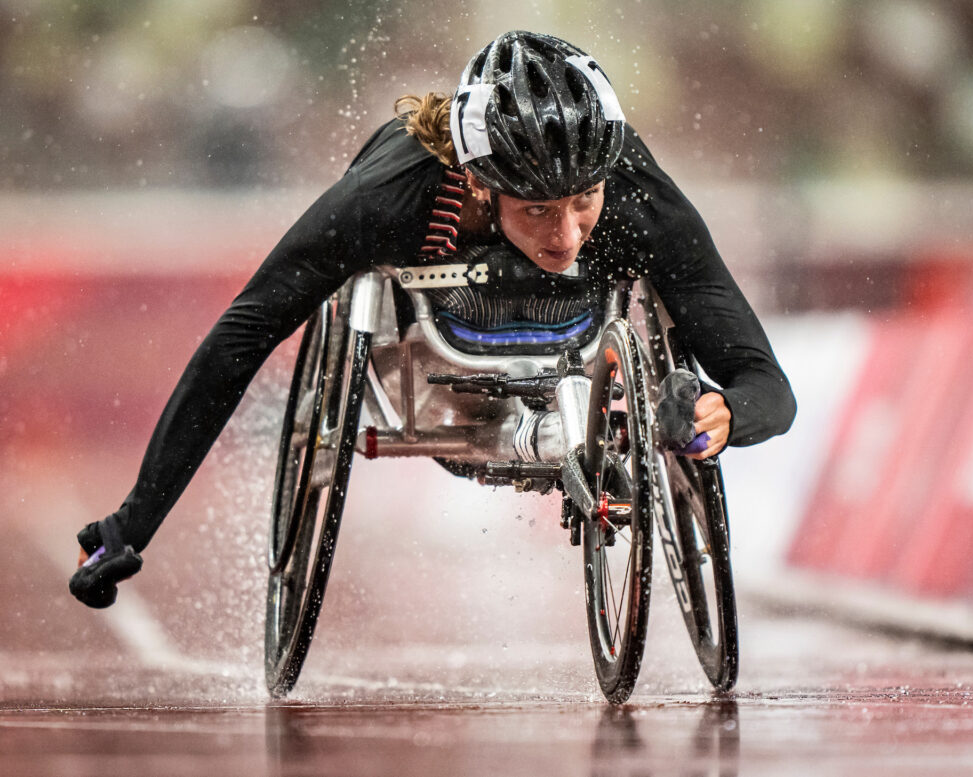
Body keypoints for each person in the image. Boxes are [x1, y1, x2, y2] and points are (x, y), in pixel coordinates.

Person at [70, 30, 796, 608]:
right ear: (480, 181)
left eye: (583, 201)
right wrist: (132, 524)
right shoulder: (388, 197)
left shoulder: (636, 195)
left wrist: (720, 413)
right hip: (425, 312)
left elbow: (765, 382)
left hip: (569, 321)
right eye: (537, 209)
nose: (568, 234)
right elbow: (241, 335)